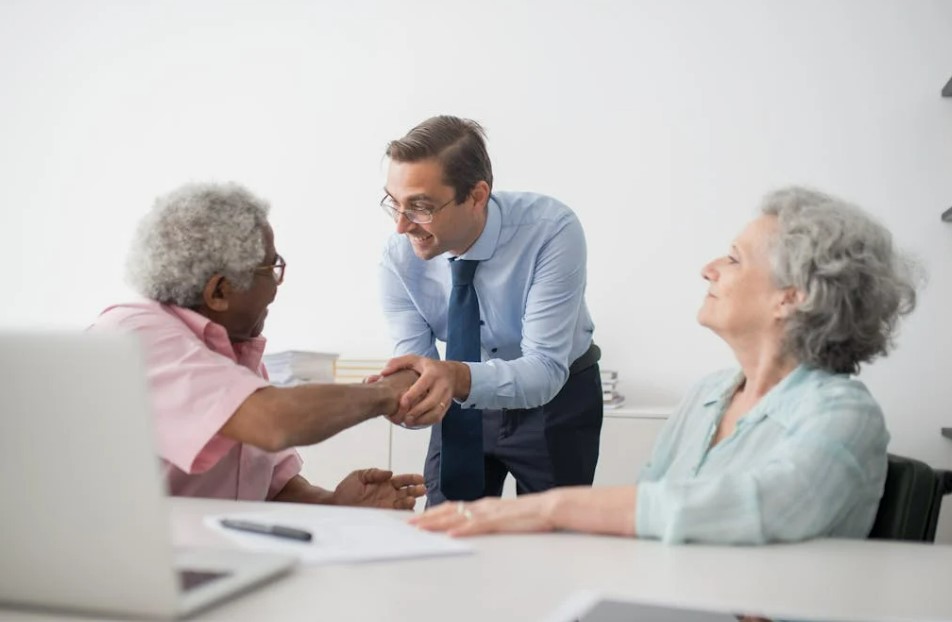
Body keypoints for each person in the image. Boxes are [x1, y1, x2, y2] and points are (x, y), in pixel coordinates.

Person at [412, 186, 917, 543]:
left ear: (791, 297)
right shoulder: (710, 395)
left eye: (735, 259)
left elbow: (759, 508)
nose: (710, 268)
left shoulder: (843, 413)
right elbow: (653, 517)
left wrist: (547, 508)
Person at [89, 182, 426, 509]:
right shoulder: (135, 337)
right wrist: (387, 392)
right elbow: (274, 422)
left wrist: (335, 503)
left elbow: (270, 488)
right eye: (271, 267)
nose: (277, 286)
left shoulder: (230, 350)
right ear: (219, 291)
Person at [377, 115, 603, 506]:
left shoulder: (551, 230)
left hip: (557, 398)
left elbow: (545, 370)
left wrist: (451, 379)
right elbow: (420, 370)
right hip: (459, 397)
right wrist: (400, 398)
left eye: (420, 207)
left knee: (556, 540)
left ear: (477, 196)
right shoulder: (398, 259)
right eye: (394, 203)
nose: (401, 226)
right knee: (446, 529)